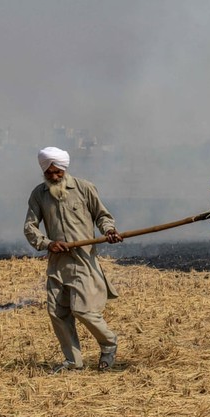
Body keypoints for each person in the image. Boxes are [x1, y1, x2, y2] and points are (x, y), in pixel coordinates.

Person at [24, 146, 123, 373]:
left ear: (64, 169)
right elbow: (30, 227)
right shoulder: (39, 194)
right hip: (57, 263)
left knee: (83, 310)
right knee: (58, 312)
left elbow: (102, 216)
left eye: (57, 172)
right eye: (49, 173)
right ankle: (73, 362)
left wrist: (108, 230)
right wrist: (47, 243)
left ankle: (109, 344)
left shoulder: (84, 188)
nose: (54, 176)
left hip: (83, 260)